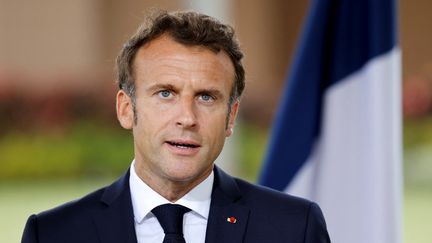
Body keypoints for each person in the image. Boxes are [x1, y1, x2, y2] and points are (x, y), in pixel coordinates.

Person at [21, 10, 330, 243]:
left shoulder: (293, 228)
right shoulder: (54, 234)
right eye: (165, 94)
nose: (187, 117)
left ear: (231, 117)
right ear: (126, 109)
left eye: (206, 97)